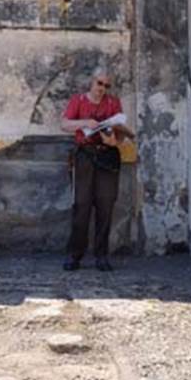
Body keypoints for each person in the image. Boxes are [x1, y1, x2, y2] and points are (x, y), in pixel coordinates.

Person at [60, 68, 132, 272]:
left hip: (107, 156)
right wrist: (85, 123)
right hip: (85, 155)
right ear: (92, 83)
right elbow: (64, 124)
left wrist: (114, 140)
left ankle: (101, 255)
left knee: (105, 206)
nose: (103, 88)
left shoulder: (113, 103)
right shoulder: (79, 100)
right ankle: (74, 255)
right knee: (81, 206)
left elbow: (121, 133)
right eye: (100, 83)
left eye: (107, 85)